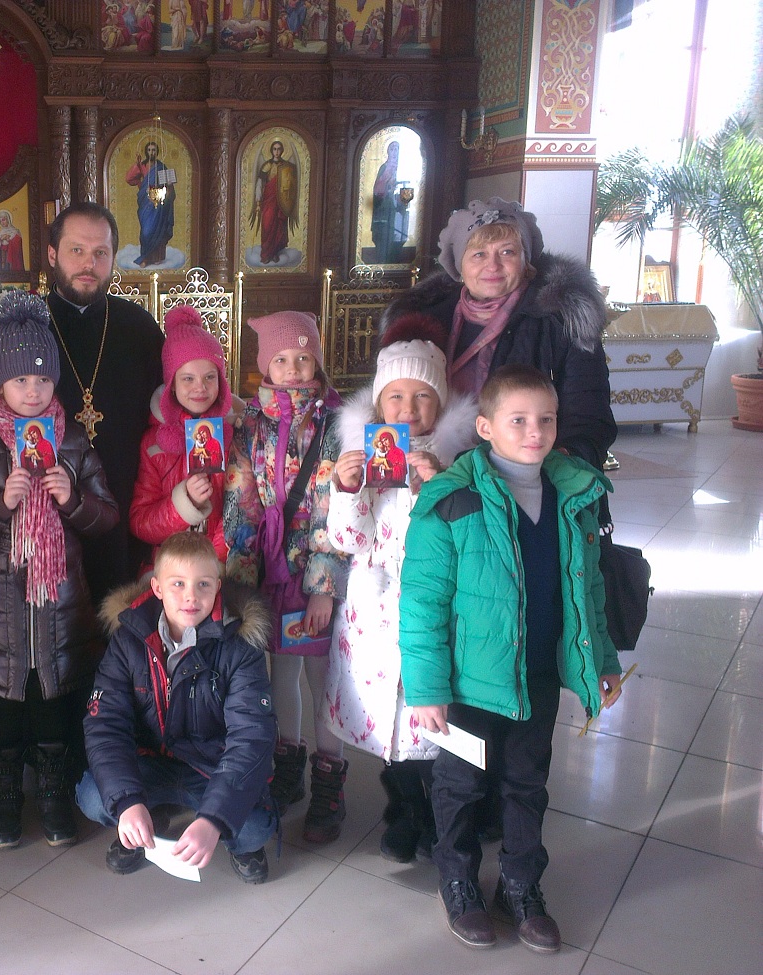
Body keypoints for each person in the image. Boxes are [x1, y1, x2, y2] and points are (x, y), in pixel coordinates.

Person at [399, 364, 623, 953]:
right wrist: (426, 688)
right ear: (485, 427)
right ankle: (458, 881)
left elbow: (589, 591)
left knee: (527, 783)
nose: (534, 431)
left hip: (538, 673)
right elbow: (422, 601)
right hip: (468, 683)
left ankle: (521, 886)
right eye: (518, 420)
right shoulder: (452, 499)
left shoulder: (572, 493)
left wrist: (603, 660)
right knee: (460, 785)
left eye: (546, 419)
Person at [0, 292, 118, 850]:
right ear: (1, 383)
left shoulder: (73, 440)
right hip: (1, 604)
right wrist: (0, 506)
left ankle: (54, 797)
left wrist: (73, 501)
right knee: (6, 701)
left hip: (60, 602)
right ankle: (4, 799)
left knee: (53, 699)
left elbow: (107, 517)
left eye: (43, 379)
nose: (34, 391)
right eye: (21, 380)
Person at [0, 202, 164, 606]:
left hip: (120, 511)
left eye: (100, 253)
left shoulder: (140, 328)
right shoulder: (19, 328)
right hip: (36, 523)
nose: (89, 264)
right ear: (51, 254)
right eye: (76, 250)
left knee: (121, 623)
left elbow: (175, 405)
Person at [324, 313, 478, 864]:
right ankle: (403, 809)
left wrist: (439, 484)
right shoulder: (364, 459)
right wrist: (347, 490)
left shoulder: (459, 462)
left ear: (441, 404)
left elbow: (466, 540)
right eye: (396, 397)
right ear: (378, 404)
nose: (408, 410)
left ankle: (440, 818)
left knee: (430, 724)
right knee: (388, 729)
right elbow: (347, 540)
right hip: (373, 613)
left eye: (422, 397)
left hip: (431, 616)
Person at [77, 531, 278, 884]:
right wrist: (128, 802)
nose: (191, 596)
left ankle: (229, 838)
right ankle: (146, 820)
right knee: (94, 796)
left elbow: (252, 737)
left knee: (253, 829)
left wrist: (214, 819)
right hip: (150, 761)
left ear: (218, 587)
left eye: (203, 584)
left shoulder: (240, 646)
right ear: (156, 587)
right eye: (178, 584)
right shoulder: (127, 640)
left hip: (211, 767)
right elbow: (105, 723)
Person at [222, 310, 350, 845]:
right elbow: (242, 499)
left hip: (311, 573)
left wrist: (323, 588)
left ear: (317, 363)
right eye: (282, 359)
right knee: (280, 675)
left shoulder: (335, 426)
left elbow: (334, 510)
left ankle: (329, 779)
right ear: (265, 367)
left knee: (322, 679)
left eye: (303, 357)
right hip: (270, 572)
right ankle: (289, 766)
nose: (294, 368)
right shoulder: (251, 424)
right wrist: (239, 582)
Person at [381, 196, 615, 472]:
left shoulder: (560, 321)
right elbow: (390, 401)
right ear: (459, 265)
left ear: (526, 262)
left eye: (507, 252)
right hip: (433, 473)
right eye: (478, 254)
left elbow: (589, 417)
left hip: (528, 476)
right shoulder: (423, 318)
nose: (492, 266)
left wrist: (556, 468)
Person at [129, 304, 242, 566]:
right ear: (172, 384)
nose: (200, 388)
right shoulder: (154, 445)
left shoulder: (237, 435)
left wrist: (211, 564)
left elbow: (243, 510)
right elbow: (140, 522)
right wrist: (183, 502)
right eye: (188, 379)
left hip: (221, 569)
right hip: (170, 569)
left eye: (209, 377)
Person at [125, 140, 176, 268]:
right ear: (146, 152)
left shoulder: (162, 167)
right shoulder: (142, 166)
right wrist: (137, 166)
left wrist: (168, 189)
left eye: (153, 150)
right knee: (146, 231)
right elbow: (129, 179)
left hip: (159, 204)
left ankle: (157, 257)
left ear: (157, 152)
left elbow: (169, 187)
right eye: (149, 150)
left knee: (159, 229)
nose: (151, 152)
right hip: (145, 203)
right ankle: (145, 258)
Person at [251, 140, 298, 265]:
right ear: (271, 150)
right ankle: (266, 253)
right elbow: (260, 183)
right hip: (268, 200)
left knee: (279, 226)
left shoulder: (286, 166)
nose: (277, 152)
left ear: (282, 151)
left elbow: (290, 185)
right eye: (274, 149)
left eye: (279, 149)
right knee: (267, 225)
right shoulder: (267, 165)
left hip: (280, 202)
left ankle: (275, 252)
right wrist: (258, 200)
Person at [369, 139, 405, 264]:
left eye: (397, 149)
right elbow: (377, 191)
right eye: (392, 149)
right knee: (383, 241)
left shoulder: (402, 169)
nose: (394, 152)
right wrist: (387, 186)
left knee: (395, 240)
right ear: (388, 151)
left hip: (396, 211)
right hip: (384, 212)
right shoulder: (384, 168)